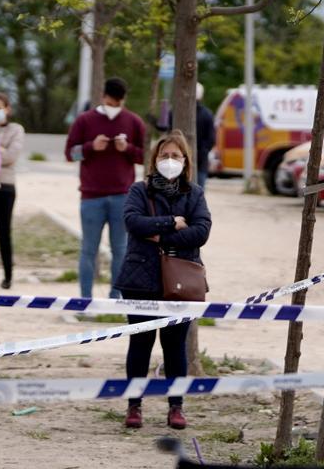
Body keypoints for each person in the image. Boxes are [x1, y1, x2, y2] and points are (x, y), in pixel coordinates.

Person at [117, 130, 211, 430]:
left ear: (185, 160)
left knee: (175, 347)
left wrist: (158, 233)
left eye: (175, 156)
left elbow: (202, 231)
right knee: (140, 345)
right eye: (164, 155)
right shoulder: (139, 190)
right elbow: (132, 222)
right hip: (140, 278)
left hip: (180, 281)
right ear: (154, 159)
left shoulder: (194, 193)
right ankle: (134, 406)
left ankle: (176, 407)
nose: (169, 161)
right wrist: (171, 222)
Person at [64, 77, 146, 299]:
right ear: (103, 97)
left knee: (120, 250)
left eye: (118, 103)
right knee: (88, 250)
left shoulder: (134, 121)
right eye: (111, 102)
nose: (114, 107)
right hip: (91, 197)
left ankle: (115, 298)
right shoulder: (84, 121)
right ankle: (85, 300)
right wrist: (91, 147)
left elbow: (144, 158)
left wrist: (127, 148)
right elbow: (70, 154)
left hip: (123, 196)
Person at [0, 92, 24, 290]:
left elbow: (11, 156)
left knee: (4, 231)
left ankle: (8, 275)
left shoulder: (16, 129)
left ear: (7, 109)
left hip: (5, 185)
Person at [194, 83, 215, 189]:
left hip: (180, 161)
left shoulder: (174, 112)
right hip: (201, 161)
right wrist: (202, 151)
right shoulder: (207, 114)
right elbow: (211, 139)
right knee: (199, 192)